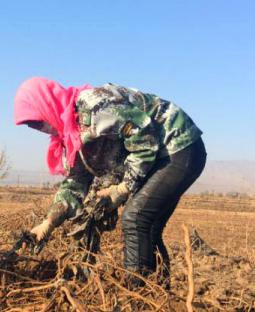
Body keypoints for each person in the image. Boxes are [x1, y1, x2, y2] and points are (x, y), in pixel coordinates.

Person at [14, 78, 206, 284]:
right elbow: (76, 183)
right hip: (159, 156)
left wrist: (123, 188)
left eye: (35, 120)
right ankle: (157, 293)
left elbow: (144, 136)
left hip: (178, 147)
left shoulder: (93, 106)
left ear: (46, 104)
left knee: (135, 218)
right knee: (149, 226)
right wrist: (48, 223)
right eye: (30, 125)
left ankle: (138, 294)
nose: (37, 128)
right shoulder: (71, 135)